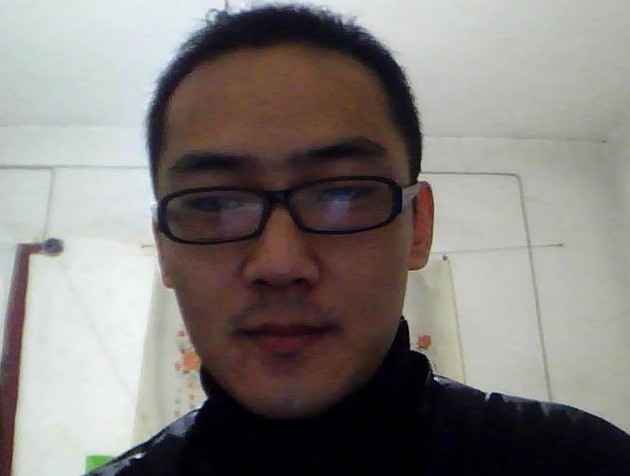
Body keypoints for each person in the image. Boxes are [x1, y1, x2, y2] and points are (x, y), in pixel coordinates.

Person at [87, 5, 630, 475]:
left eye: (342, 194)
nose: (280, 264)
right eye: (213, 204)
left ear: (418, 226)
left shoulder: (578, 462)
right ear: (164, 248)